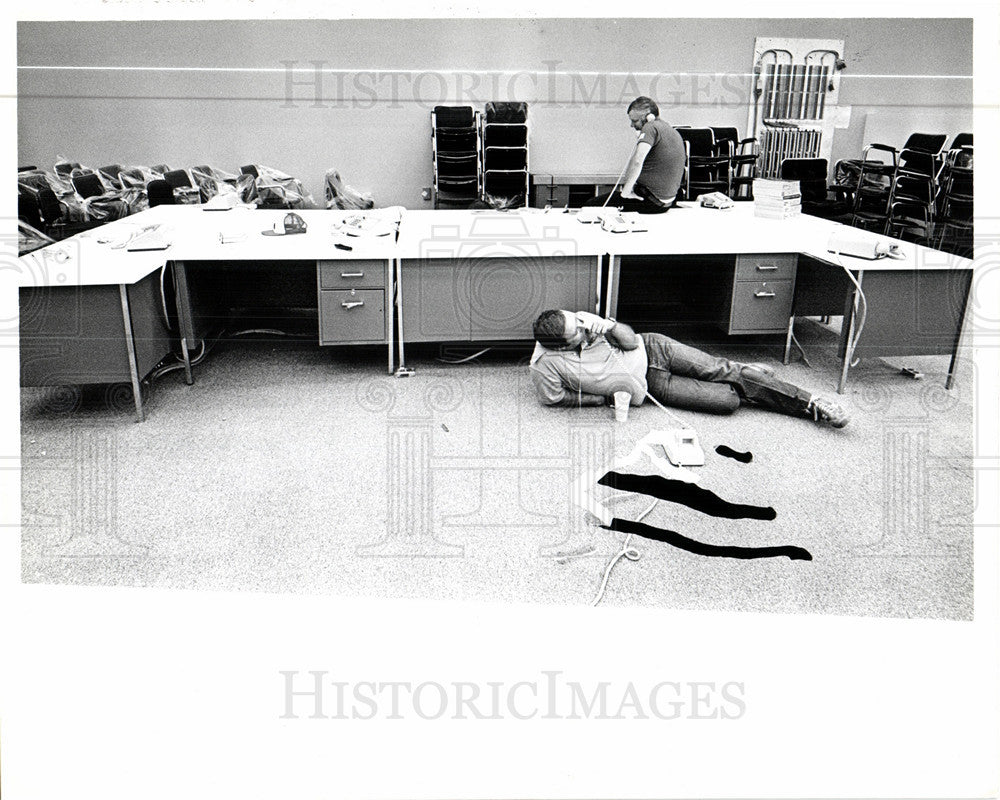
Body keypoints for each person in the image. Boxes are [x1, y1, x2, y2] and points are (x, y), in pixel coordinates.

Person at [529, 309, 851, 428]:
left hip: (654, 348)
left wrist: (607, 325)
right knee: (728, 402)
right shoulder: (546, 365)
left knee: (724, 372)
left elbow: (629, 342)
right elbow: (554, 398)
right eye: (579, 334)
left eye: (581, 325)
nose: (585, 332)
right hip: (651, 386)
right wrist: (599, 400)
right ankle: (749, 376)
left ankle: (810, 404)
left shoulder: (587, 323)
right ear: (559, 345)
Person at [583, 96, 686, 215]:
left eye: (635, 121)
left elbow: (638, 161)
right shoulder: (669, 129)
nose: (632, 125)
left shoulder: (650, 127)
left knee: (591, 205)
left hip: (650, 201)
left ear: (649, 117)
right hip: (665, 202)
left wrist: (625, 194)